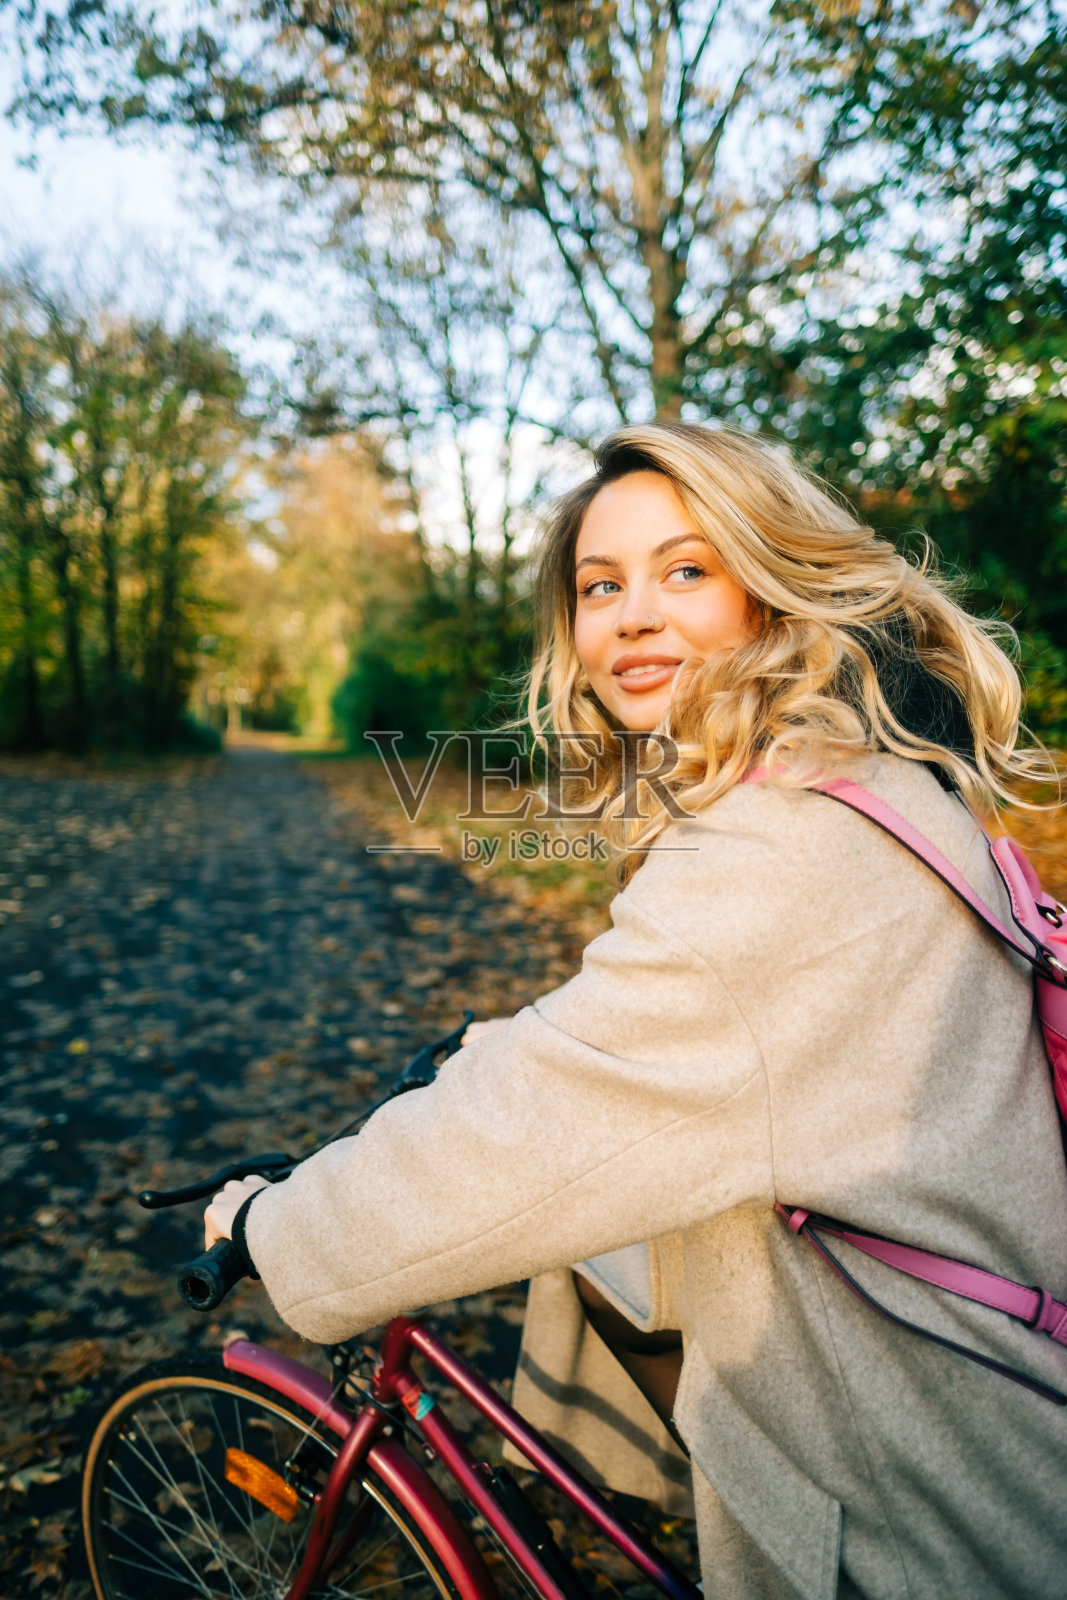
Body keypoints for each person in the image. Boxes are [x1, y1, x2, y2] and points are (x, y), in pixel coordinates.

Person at [205, 423, 1067, 1599]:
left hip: (927, 1472)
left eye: (685, 570)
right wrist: (495, 1052)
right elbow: (673, 1044)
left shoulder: (770, 856)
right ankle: (616, 1481)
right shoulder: (871, 780)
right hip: (980, 1352)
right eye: (598, 586)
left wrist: (278, 1229)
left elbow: (531, 1130)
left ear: (772, 586)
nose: (630, 616)